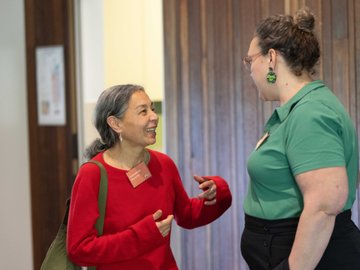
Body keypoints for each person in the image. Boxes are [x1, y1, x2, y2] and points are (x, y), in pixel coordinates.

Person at [240, 7, 360, 270]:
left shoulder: (311, 113)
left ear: (271, 58)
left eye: (250, 61)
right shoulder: (298, 109)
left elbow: (325, 204)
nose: (250, 71)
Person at [66, 84, 232, 269]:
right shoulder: (92, 174)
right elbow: (79, 249)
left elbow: (187, 215)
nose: (154, 117)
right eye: (143, 112)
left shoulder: (163, 164)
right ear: (115, 123)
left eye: (152, 109)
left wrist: (218, 193)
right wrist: (142, 235)